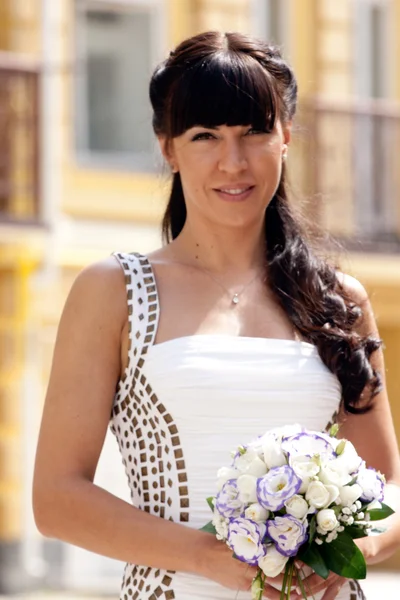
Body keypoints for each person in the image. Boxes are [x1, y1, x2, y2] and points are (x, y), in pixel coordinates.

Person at [33, 31, 400, 600]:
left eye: (253, 131)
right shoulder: (113, 291)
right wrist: (210, 558)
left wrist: (352, 551)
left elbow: (388, 489)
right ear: (168, 149)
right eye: (205, 136)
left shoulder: (339, 302)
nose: (233, 161)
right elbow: (57, 498)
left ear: (285, 137)